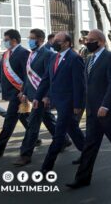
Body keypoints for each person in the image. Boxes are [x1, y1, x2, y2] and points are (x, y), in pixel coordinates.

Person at [66, 29, 111, 189]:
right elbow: (88, 85)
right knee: (90, 144)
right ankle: (82, 178)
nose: (87, 42)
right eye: (86, 40)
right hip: (92, 109)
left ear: (100, 41)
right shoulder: (89, 59)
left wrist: (105, 105)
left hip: (106, 109)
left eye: (90, 40)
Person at [13, 29, 71, 166]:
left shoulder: (48, 55)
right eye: (29, 38)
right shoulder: (31, 54)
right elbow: (28, 77)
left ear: (40, 40)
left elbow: (50, 78)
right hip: (33, 94)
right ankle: (64, 140)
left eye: (32, 38)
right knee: (48, 119)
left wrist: (47, 96)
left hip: (41, 97)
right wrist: (23, 91)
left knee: (33, 124)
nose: (30, 40)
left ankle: (25, 154)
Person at [33, 32, 85, 174]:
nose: (55, 43)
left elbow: (79, 84)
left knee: (59, 134)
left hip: (69, 103)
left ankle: (46, 166)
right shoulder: (53, 57)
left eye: (58, 41)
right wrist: (38, 97)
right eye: (54, 41)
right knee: (73, 129)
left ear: (67, 43)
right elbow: (46, 79)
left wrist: (78, 105)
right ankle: (87, 153)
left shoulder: (75, 58)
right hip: (58, 100)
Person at [0, 30, 30, 158]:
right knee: (24, 118)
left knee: (9, 121)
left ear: (14, 40)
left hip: (18, 93)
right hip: (11, 92)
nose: (4, 42)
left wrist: (24, 91)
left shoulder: (23, 53)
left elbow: (27, 75)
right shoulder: (6, 54)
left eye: (6, 39)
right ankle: (62, 140)